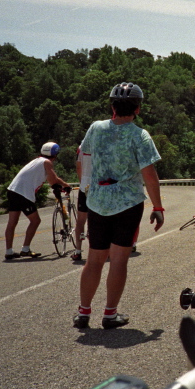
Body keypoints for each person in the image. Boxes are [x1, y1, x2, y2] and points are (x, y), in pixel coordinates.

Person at [73, 83, 164, 329]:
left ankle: (83, 312)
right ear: (138, 109)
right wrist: (158, 207)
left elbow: (83, 157)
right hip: (128, 203)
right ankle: (110, 314)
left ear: (112, 106)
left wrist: (86, 189)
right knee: (118, 260)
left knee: (94, 260)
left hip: (97, 201)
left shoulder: (96, 128)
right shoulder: (140, 135)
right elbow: (149, 174)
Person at [3, 142, 72, 260]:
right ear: (55, 155)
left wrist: (61, 185)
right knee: (35, 221)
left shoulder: (37, 160)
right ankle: (25, 249)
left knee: (12, 222)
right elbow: (53, 179)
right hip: (23, 193)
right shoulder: (47, 162)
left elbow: (52, 179)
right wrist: (61, 186)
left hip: (12, 190)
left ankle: (9, 251)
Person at [71, 146, 92, 261]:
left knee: (81, 220)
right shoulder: (104, 140)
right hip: (100, 186)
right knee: (98, 219)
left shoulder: (82, 147)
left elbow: (78, 167)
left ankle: (78, 251)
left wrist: (82, 182)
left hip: (85, 186)